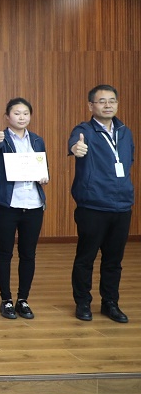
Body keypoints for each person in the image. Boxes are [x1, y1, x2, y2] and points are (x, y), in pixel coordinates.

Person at [69, 84, 134, 323]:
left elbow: (128, 160)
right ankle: (83, 302)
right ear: (91, 106)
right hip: (93, 205)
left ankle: (110, 303)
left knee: (114, 261)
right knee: (86, 257)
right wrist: (77, 148)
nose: (108, 105)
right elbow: (75, 145)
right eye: (102, 101)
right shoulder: (83, 130)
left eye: (112, 101)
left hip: (122, 205)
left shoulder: (125, 132)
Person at [0, 98, 48, 320]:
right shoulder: (2, 138)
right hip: (8, 204)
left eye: (25, 113)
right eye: (16, 113)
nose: (21, 117)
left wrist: (44, 176)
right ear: (7, 117)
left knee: (28, 254)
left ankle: (23, 299)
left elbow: (42, 166)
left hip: (33, 204)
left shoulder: (37, 140)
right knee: (5, 253)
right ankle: (6, 299)